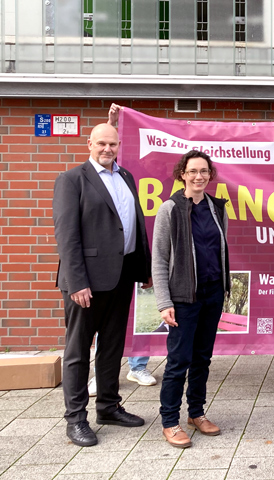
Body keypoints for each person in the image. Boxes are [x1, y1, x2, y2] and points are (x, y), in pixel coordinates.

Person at [53, 123, 152, 447]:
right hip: (86, 283)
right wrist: (78, 281)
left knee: (111, 347)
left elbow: (134, 225)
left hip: (120, 276)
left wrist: (145, 269)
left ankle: (108, 407)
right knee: (78, 351)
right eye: (101, 144)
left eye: (112, 144)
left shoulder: (126, 177)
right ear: (89, 144)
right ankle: (76, 419)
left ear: (118, 145)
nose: (107, 149)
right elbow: (67, 237)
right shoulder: (72, 180)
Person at [152, 150, 231, 448]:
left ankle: (195, 413)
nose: (199, 176)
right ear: (182, 174)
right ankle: (170, 421)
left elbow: (220, 251)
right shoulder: (169, 209)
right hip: (183, 297)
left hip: (212, 294)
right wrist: (164, 302)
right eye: (193, 171)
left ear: (210, 175)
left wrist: (223, 289)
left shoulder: (216, 208)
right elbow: (159, 260)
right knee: (178, 361)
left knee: (202, 359)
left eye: (204, 171)